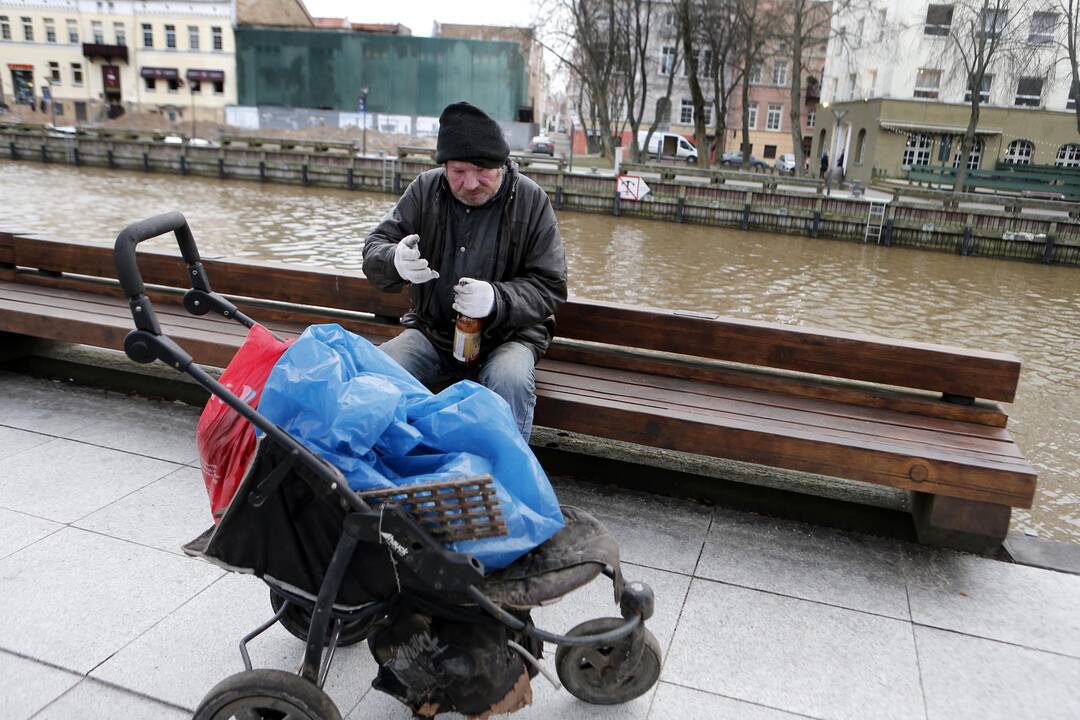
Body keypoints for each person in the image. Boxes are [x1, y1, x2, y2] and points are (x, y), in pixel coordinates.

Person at [362, 101, 567, 441]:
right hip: (434, 334)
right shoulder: (426, 190)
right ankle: (381, 470)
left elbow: (551, 286)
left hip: (508, 338)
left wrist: (496, 299)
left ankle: (502, 477)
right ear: (444, 168)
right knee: (377, 369)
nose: (470, 183)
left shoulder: (532, 201)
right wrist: (395, 259)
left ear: (500, 164)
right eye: (458, 171)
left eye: (481, 170)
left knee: (511, 380)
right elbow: (375, 247)